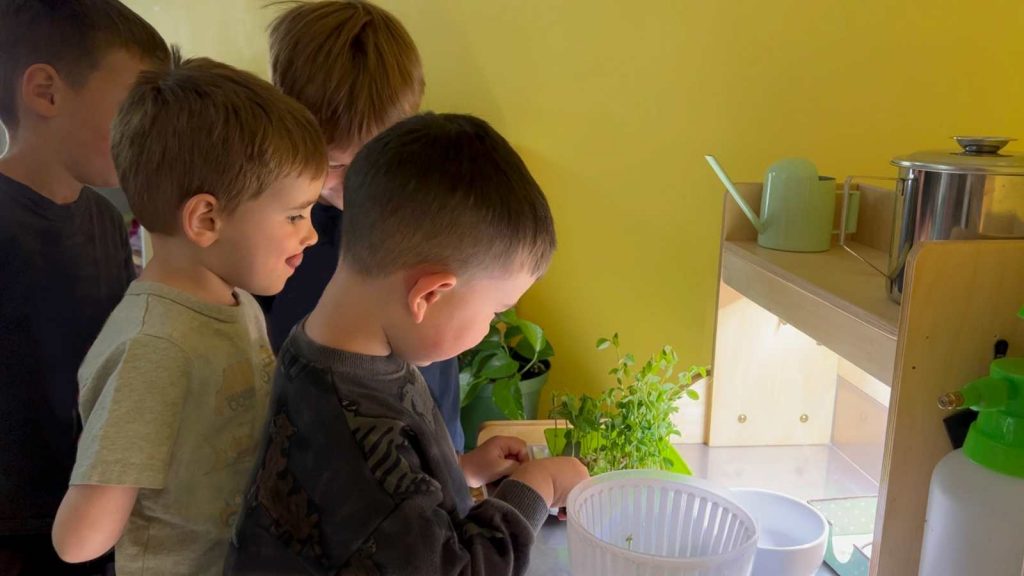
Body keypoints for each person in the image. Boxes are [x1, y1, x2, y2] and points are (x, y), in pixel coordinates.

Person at [227, 113, 589, 575]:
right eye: (495, 311)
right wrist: (535, 488)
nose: (490, 329)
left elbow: (388, 497)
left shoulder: (321, 348)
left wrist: (461, 470)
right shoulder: (358, 432)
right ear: (429, 295)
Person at [51, 53, 327, 576]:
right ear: (206, 218)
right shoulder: (154, 349)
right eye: (294, 214)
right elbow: (78, 540)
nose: (310, 234)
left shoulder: (235, 302)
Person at [0, 1, 168, 573]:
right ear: (46, 92)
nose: (151, 132)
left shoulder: (103, 217)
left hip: (88, 510)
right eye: (135, 107)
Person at [260, 0, 466, 451]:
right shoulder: (267, 222)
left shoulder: (430, 199)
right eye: (333, 163)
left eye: (373, 158)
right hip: (321, 460)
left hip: (431, 441)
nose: (355, 186)